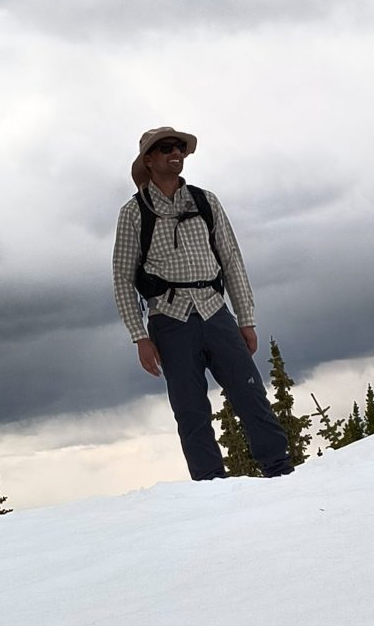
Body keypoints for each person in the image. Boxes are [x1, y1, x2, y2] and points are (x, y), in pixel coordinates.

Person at [112, 127, 293, 480]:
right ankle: (211, 486)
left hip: (215, 311)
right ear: (148, 160)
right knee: (190, 410)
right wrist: (140, 337)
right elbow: (122, 277)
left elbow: (231, 259)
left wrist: (246, 319)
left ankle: (280, 470)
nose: (175, 153)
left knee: (250, 393)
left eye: (179, 147)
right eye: (166, 148)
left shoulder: (205, 201)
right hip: (169, 319)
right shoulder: (134, 213)